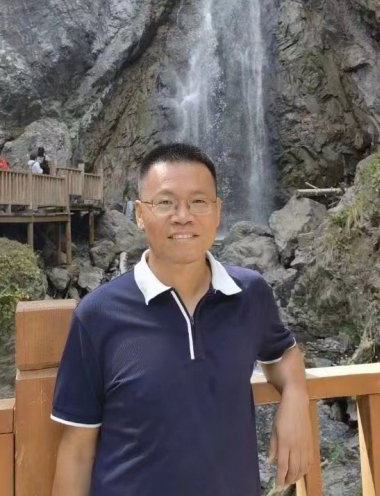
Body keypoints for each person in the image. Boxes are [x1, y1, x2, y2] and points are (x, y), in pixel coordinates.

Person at [51, 143, 313, 496]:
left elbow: (282, 352)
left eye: (198, 202)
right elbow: (77, 451)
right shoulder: (97, 314)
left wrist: (296, 396)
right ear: (140, 214)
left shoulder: (249, 294)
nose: (183, 216)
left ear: (217, 211)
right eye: (165, 202)